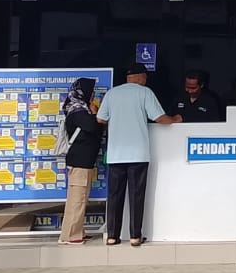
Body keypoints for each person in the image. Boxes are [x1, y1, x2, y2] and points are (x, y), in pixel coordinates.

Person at [96, 62, 180, 246]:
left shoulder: (112, 94)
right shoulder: (145, 93)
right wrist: (175, 119)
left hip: (116, 154)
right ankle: (135, 236)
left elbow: (100, 119)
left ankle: (112, 236)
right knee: (136, 196)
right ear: (142, 77)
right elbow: (160, 118)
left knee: (115, 196)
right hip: (138, 154)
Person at [57, 77, 103, 245]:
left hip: (84, 161)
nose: (93, 95)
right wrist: (95, 113)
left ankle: (77, 231)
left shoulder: (79, 109)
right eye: (92, 92)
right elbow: (92, 127)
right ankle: (70, 235)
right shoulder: (78, 111)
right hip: (80, 161)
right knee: (77, 199)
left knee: (80, 198)